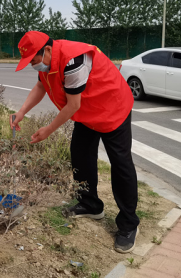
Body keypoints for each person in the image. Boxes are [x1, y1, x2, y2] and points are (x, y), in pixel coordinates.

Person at [10, 31, 139, 253]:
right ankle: (91, 204)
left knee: (121, 164)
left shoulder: (73, 61)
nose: (33, 65)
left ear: (47, 50)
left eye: (33, 60)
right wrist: (21, 112)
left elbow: (72, 106)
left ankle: (128, 224)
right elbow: (41, 86)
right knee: (80, 154)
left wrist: (47, 130)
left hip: (112, 108)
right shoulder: (49, 62)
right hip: (88, 112)